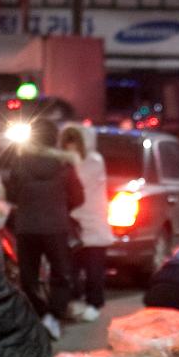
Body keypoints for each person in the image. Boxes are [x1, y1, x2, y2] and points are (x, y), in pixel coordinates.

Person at [3, 118, 84, 340]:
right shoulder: (64, 165)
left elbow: (11, 195)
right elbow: (79, 196)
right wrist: (59, 205)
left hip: (26, 226)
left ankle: (39, 314)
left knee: (28, 277)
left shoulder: (20, 163)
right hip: (56, 226)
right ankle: (53, 316)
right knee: (61, 274)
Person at [60, 124, 111, 324]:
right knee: (71, 268)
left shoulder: (94, 161)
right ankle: (75, 300)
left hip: (93, 224)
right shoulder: (67, 164)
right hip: (74, 225)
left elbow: (78, 182)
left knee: (94, 270)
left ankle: (94, 303)